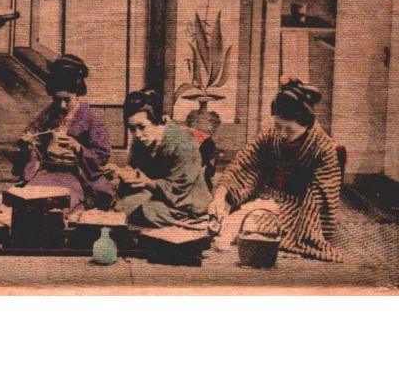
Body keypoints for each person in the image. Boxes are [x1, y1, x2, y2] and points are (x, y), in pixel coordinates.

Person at [208, 77, 343, 262]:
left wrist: (304, 230)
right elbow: (245, 163)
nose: (282, 134)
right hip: (267, 196)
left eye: (290, 130)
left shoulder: (324, 149)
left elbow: (320, 198)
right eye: (278, 126)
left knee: (255, 227)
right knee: (224, 219)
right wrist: (220, 195)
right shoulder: (272, 133)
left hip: (300, 205)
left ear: (306, 124)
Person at [15, 55, 115, 216]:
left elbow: (102, 153)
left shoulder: (89, 116)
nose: (61, 105)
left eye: (67, 100)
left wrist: (78, 147)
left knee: (61, 207)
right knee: (30, 203)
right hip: (48, 171)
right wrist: (28, 139)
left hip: (77, 174)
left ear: (78, 94)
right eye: (57, 99)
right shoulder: (49, 112)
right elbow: (32, 130)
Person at [116, 89, 212, 227]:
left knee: (139, 214)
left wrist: (148, 182)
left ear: (158, 121)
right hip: (157, 196)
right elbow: (135, 167)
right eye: (131, 128)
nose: (136, 134)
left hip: (185, 202)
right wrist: (127, 173)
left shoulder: (183, 144)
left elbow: (179, 190)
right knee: (121, 207)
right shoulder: (140, 139)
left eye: (141, 127)